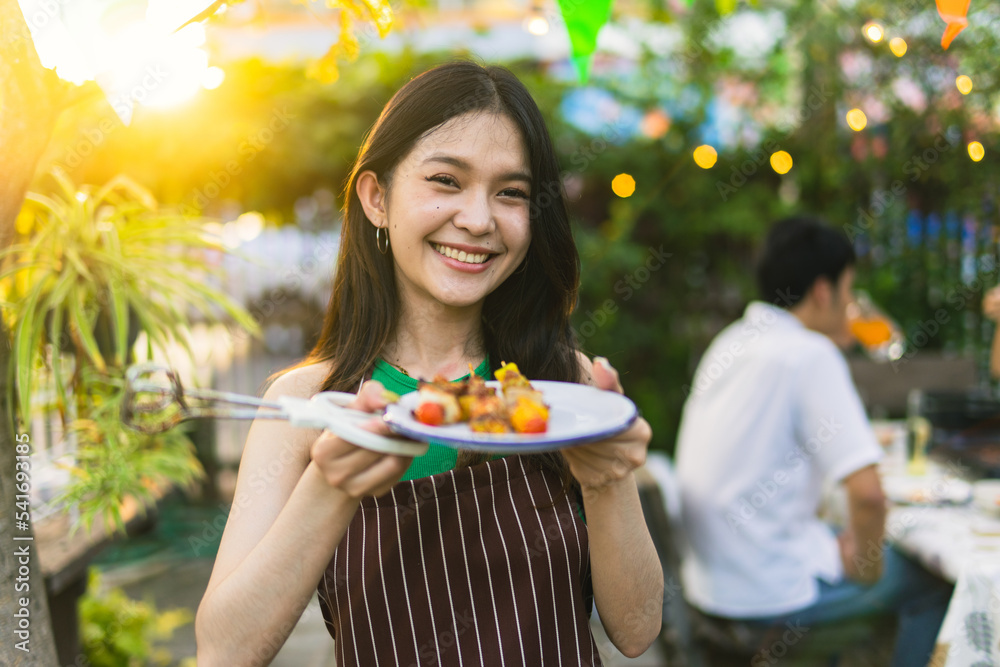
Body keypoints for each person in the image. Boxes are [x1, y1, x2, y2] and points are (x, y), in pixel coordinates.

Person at [194, 61, 662, 666]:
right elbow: (223, 653)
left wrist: (609, 478)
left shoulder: (560, 387)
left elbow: (637, 628)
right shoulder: (311, 405)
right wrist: (332, 487)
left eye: (511, 193)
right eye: (446, 180)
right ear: (377, 198)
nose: (478, 219)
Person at [674, 217, 953, 666]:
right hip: (768, 602)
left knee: (845, 545)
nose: (852, 305)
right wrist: (866, 567)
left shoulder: (732, 341)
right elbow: (868, 498)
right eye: (849, 290)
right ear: (824, 292)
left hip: (708, 589)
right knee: (934, 582)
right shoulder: (808, 353)